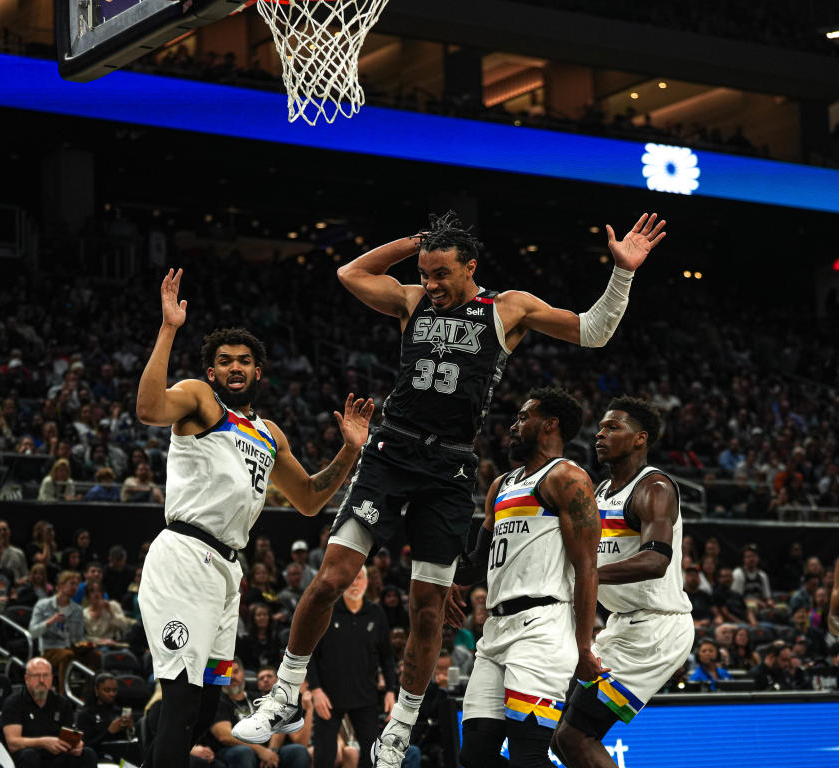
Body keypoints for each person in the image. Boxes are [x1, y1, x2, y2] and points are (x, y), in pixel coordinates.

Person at [233, 209, 664, 766]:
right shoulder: (411, 300)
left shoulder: (508, 307)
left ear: (471, 268)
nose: (431, 285)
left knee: (429, 609)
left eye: (442, 274)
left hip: (450, 469)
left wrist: (623, 272)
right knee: (330, 578)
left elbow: (595, 330)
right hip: (391, 453)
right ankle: (284, 692)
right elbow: (349, 274)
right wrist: (415, 242)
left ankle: (401, 723)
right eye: (425, 273)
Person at [133, 268, 375, 768]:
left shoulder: (270, 432)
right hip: (183, 554)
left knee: (203, 703)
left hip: (226, 569)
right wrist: (168, 328)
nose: (234, 367)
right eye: (224, 362)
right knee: (180, 697)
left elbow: (309, 499)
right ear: (213, 371)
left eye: (244, 361)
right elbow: (148, 407)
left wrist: (350, 452)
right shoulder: (201, 399)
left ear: (258, 372)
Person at [449, 389, 602, 768]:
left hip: (542, 629)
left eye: (523, 417)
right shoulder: (501, 485)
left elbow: (587, 569)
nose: (513, 427)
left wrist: (584, 646)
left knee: (528, 756)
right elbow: (477, 562)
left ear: (550, 424)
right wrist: (447, 577)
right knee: (475, 756)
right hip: (496, 630)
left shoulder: (567, 478)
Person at [552, 396, 694, 768]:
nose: (600, 434)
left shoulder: (654, 488)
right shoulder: (599, 493)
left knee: (575, 734)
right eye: (600, 427)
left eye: (613, 427)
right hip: (621, 627)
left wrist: (589, 577)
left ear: (640, 439)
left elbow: (657, 558)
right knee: (560, 733)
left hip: (655, 632)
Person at [306, 565, 396, 768]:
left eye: (359, 578)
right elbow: (310, 654)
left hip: (366, 697)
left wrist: (391, 691)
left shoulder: (376, 613)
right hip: (328, 697)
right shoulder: (327, 611)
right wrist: (316, 689)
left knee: (372, 756)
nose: (355, 584)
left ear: (366, 582)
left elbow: (387, 657)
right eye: (351, 579)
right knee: (324, 756)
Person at [208, 659, 310, 768]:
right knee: (244, 752)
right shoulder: (219, 701)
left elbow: (278, 723)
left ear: (243, 674)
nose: (233, 677)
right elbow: (225, 736)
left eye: (236, 672)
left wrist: (272, 751)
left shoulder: (258, 697)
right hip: (234, 751)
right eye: (228, 673)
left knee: (298, 751)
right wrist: (260, 750)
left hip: (267, 750)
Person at [1, 657, 96, 768]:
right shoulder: (13, 703)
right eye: (36, 676)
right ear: (26, 679)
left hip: (56, 757)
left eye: (45, 675)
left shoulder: (62, 703)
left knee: (88, 754)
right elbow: (13, 743)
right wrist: (43, 742)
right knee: (29, 755)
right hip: (28, 758)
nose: (41, 680)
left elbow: (68, 736)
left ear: (51, 678)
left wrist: (76, 746)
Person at [29, 571, 99, 694]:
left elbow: (79, 637)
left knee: (95, 655)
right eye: (72, 584)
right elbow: (32, 632)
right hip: (50, 649)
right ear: (60, 585)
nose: (75, 588)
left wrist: (86, 645)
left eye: (77, 585)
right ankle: (63, 694)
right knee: (66, 655)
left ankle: (88, 695)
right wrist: (50, 622)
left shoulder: (77, 610)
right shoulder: (43, 605)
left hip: (71, 647)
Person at [75, 672, 138, 765]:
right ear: (96, 690)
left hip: (123, 756)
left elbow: (132, 741)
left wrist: (131, 728)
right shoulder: (86, 714)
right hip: (99, 757)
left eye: (114, 690)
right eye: (107, 690)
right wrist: (109, 732)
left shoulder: (120, 712)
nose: (112, 694)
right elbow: (85, 747)